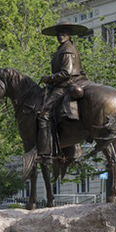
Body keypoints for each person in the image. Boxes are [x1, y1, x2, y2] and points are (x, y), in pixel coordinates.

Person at [37, 22, 91, 160]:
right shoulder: (66, 48)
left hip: (65, 84)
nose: (61, 36)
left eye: (64, 33)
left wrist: (49, 78)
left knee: (44, 114)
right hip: (71, 82)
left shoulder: (67, 49)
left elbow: (66, 73)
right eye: (59, 34)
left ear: (69, 34)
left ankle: (45, 150)